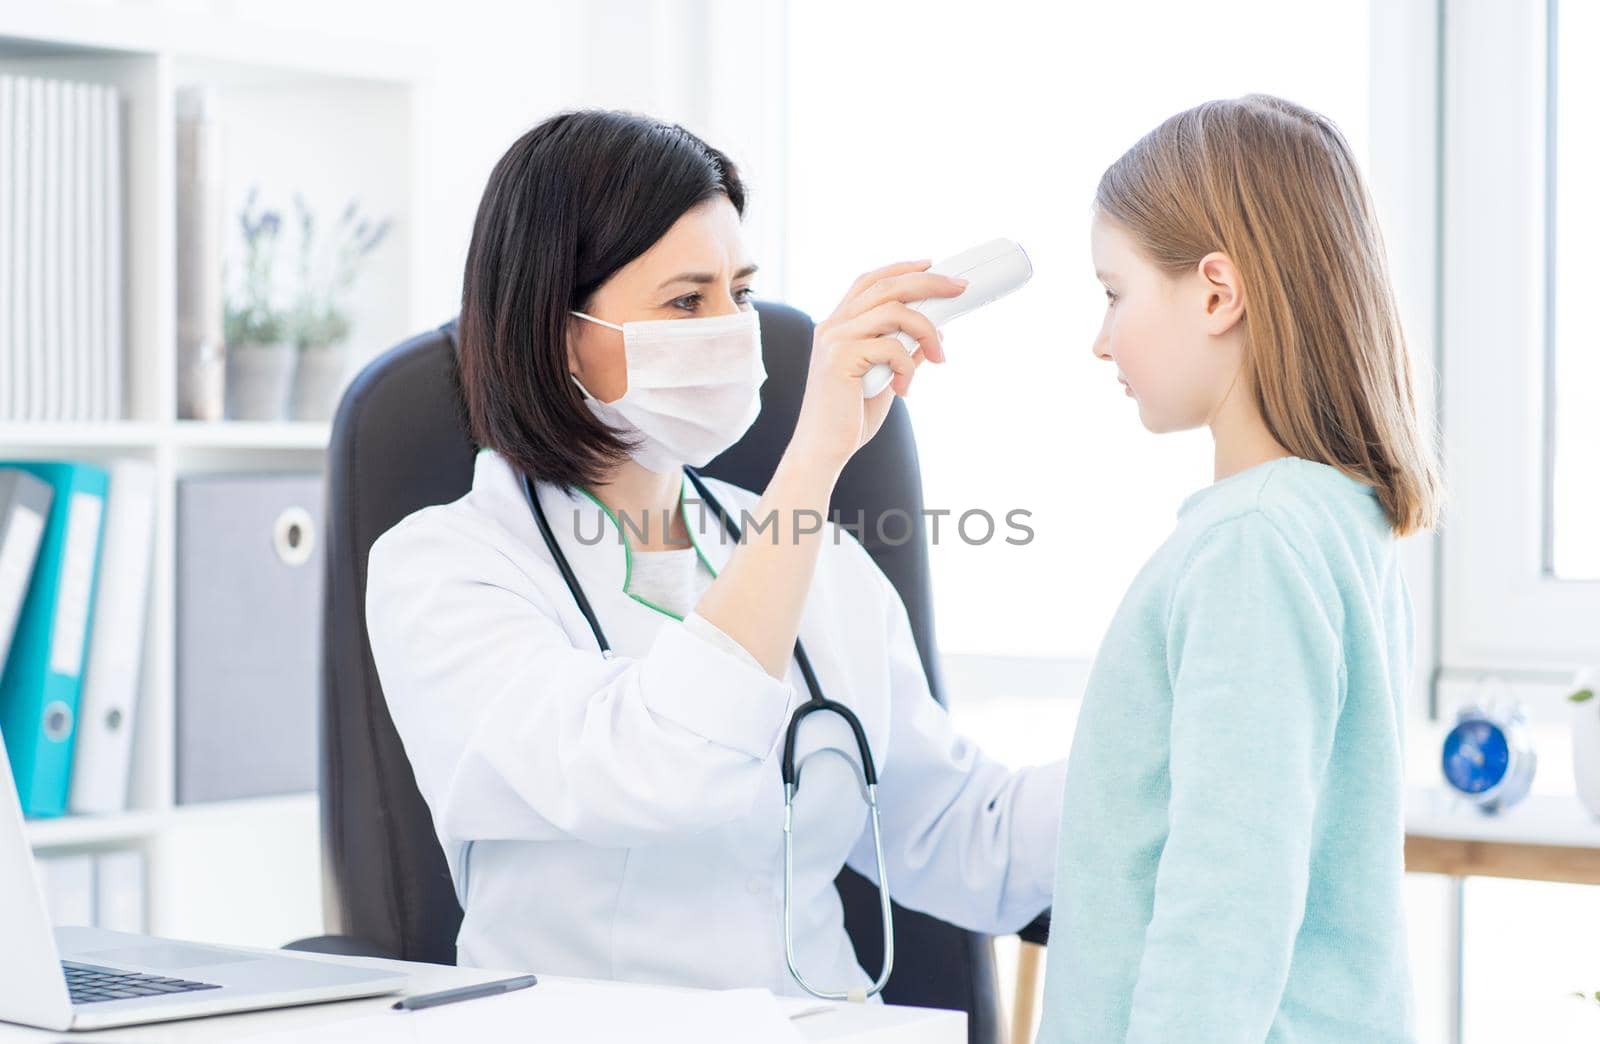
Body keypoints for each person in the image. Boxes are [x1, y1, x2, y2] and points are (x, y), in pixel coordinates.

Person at [364, 109, 1066, 999]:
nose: (737, 329)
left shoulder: (817, 557)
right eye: (687, 301)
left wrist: (1178, 751)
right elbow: (663, 766)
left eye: (741, 290)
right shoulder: (445, 570)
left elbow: (965, 836)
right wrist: (814, 459)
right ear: (557, 327)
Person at [1037, 94, 1440, 1042]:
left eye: (1114, 291)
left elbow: (1227, 899)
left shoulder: (1252, 543)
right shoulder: (1341, 525)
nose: (1101, 339)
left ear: (1217, 291)